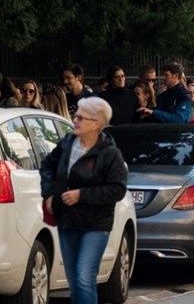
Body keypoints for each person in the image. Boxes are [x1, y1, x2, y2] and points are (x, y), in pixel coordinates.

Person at [39, 97, 128, 304]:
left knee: (84, 277)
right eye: (76, 115)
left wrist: (81, 195)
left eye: (80, 117)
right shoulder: (68, 143)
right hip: (67, 221)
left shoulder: (110, 154)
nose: (74, 120)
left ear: (96, 123)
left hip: (95, 224)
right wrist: (50, 193)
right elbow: (47, 166)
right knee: (74, 282)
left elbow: (117, 189)